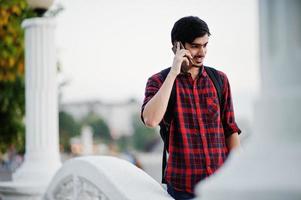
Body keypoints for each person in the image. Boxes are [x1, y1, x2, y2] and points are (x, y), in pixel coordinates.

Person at [141, 16, 241, 200]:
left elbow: (230, 130)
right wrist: (174, 72)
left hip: (220, 186)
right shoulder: (159, 81)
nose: (202, 52)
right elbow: (151, 119)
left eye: (205, 45)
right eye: (195, 46)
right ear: (177, 47)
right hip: (182, 189)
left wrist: (237, 174)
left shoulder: (219, 80)